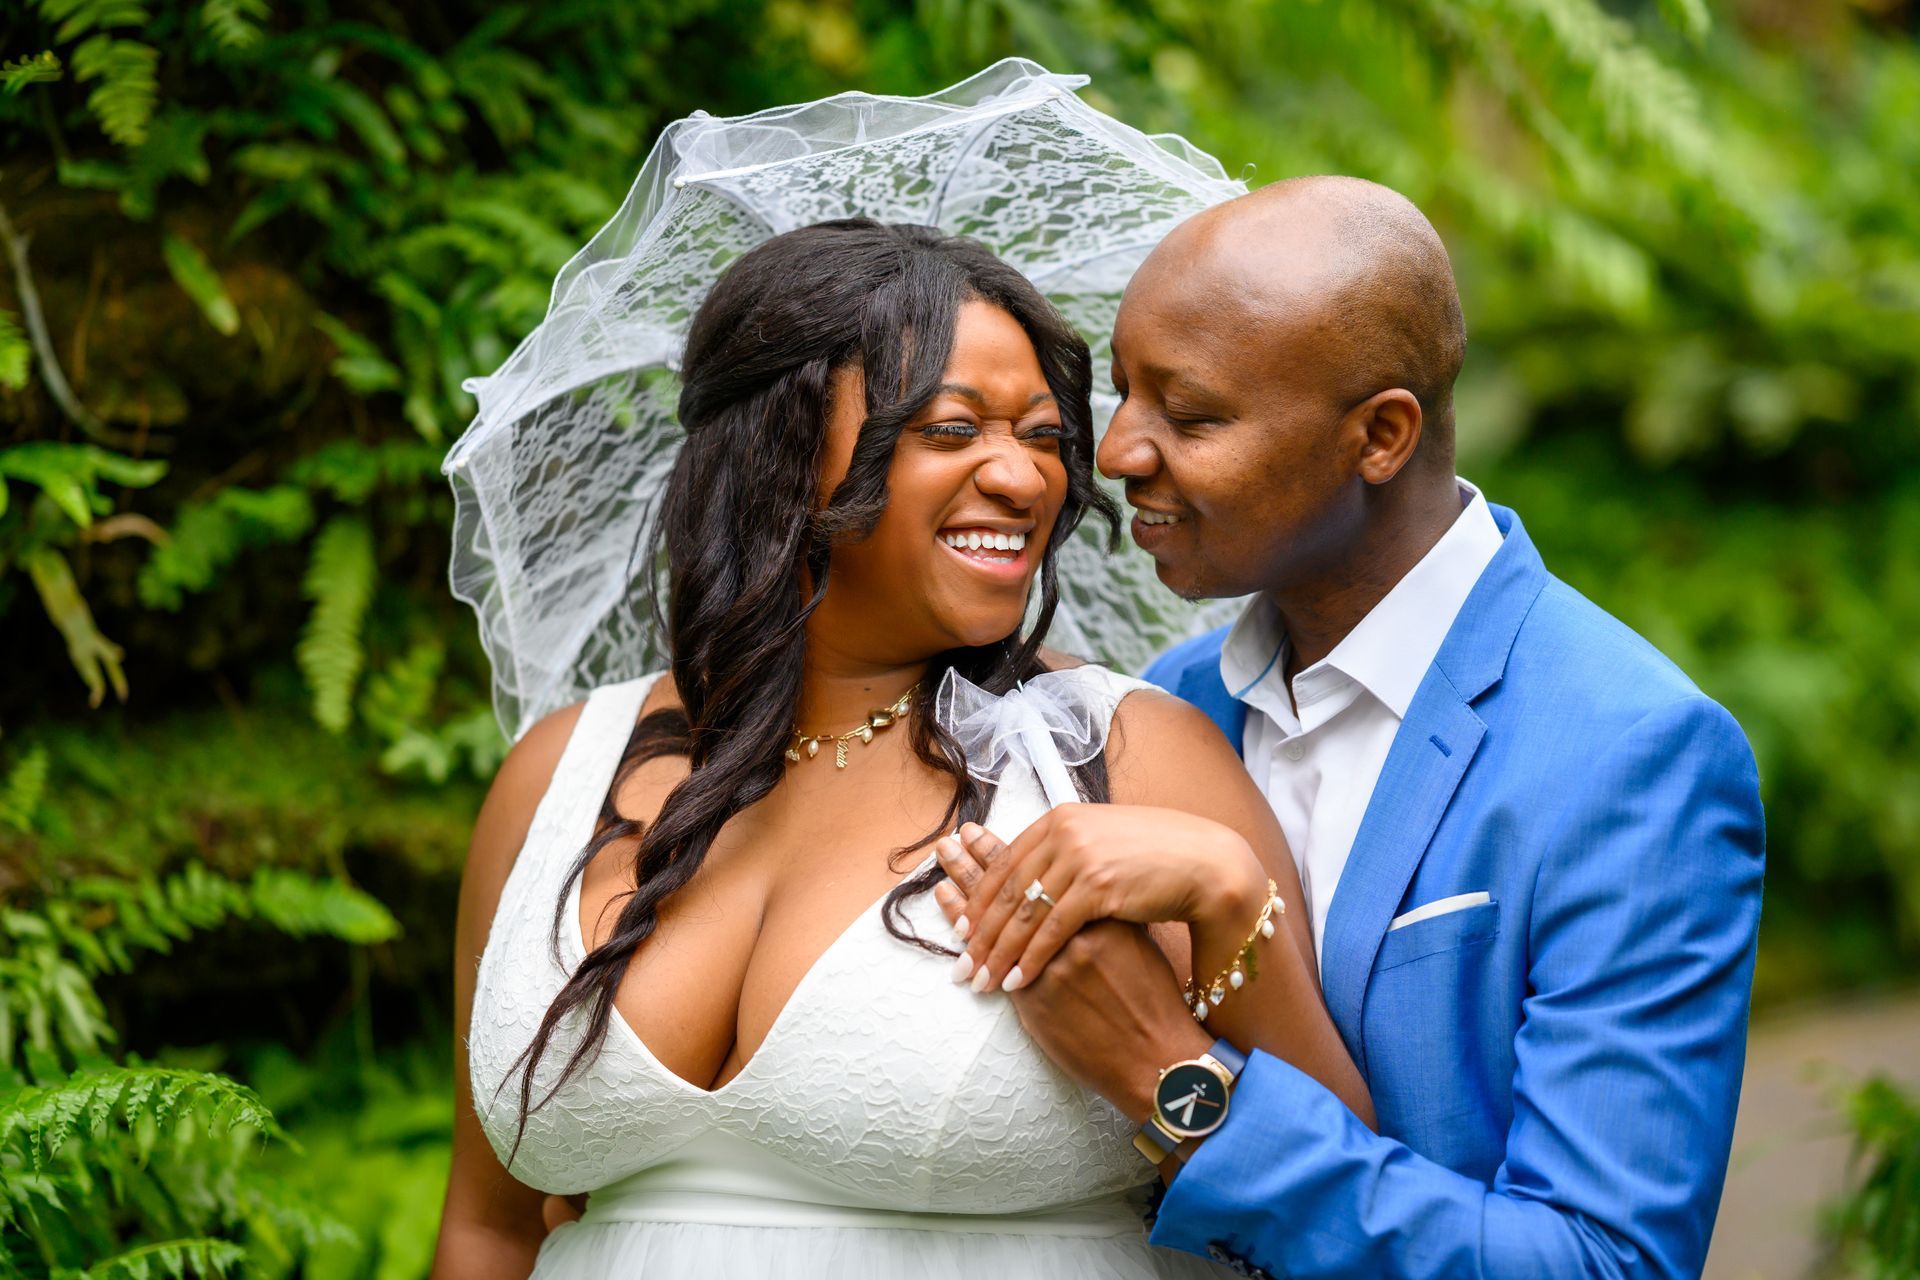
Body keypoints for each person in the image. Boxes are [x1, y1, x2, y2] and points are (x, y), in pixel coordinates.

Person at [429, 219, 1371, 1280]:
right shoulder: (561, 771)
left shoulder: (1127, 755)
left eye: (1044, 435)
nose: (1024, 478)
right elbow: (490, 1228)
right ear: (779, 457)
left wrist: (1227, 891)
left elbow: (1345, 1210)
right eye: (953, 429)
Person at [934, 176, 1766, 1279]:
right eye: (1124, 392)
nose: (1119, 452)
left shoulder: (1634, 753)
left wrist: (1180, 1088)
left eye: (1189, 415)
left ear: (1381, 435)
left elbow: (1601, 1260)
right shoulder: (1163, 707)